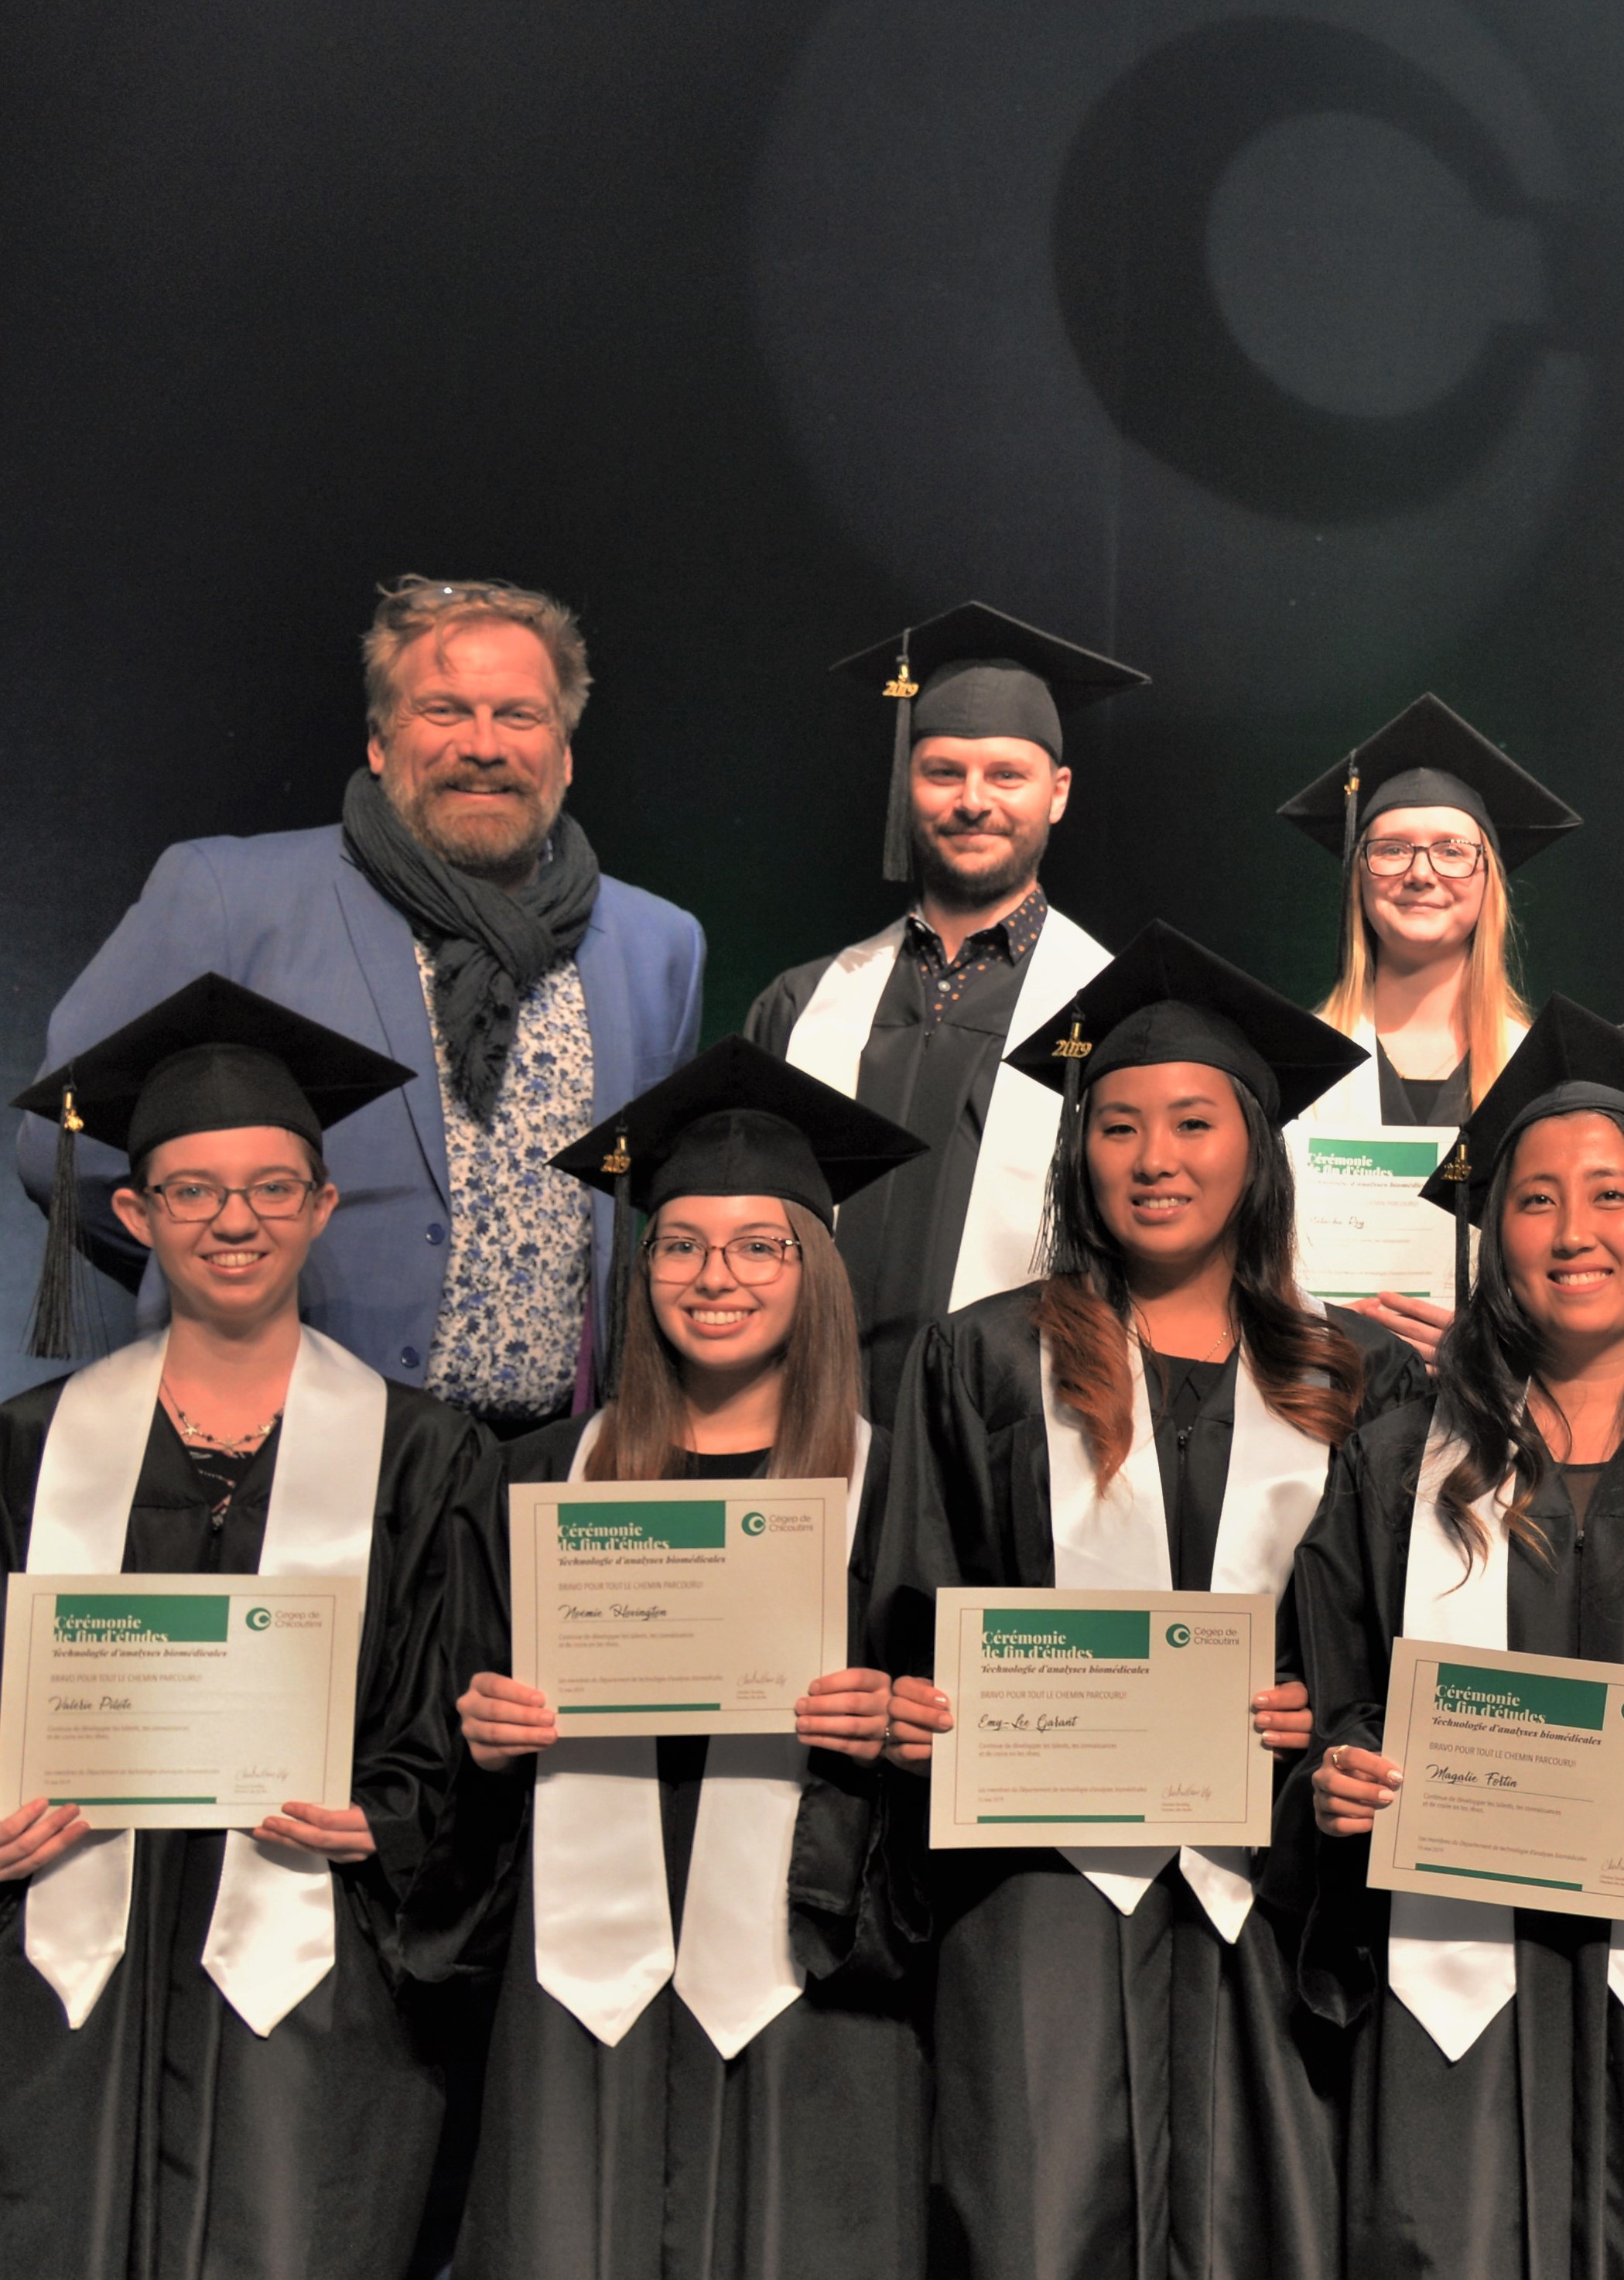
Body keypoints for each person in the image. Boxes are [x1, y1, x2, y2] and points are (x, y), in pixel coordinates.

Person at [867, 926, 1384, 2280]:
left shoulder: (1350, 1380)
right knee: (1035, 2219)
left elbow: (1391, 1644)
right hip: (1039, 1884)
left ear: (1255, 1150)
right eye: (1118, 1127)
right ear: (1078, 1155)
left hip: (1263, 1880)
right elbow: (917, 1608)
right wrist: (914, 1713)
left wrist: (1322, 1715)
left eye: (1194, 1122)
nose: (1155, 1160)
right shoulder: (985, 1355)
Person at [1291, 998, 1624, 2277]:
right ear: (1490, 1236)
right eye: (1533, 1198)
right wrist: (1333, 1780)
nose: (1572, 1232)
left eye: (1611, 1195)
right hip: (1451, 2006)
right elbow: (1322, 1696)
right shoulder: (1394, 1466)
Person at [0, 975, 499, 2280]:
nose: (236, 1220)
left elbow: (451, 1731)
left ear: (321, 1207)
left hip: (319, 1980)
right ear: (132, 1211)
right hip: (64, 1993)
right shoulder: (28, 1450)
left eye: (275, 1187)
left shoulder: (426, 1456)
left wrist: (385, 1822)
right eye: (193, 1190)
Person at [426, 1039, 935, 2278]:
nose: (718, 1275)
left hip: (805, 1965)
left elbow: (955, 1744)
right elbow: (449, 1752)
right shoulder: (540, 1475)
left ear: (813, 1268)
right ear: (641, 1264)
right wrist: (480, 1734)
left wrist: (910, 1726)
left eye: (762, 1244)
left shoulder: (896, 1486)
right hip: (581, 1967)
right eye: (682, 1243)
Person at [22, 576, 704, 1429]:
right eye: (444, 710)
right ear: (381, 742)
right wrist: (227, 1288)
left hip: (554, 1468)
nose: (483, 746)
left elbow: (651, 1212)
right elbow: (68, 1146)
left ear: (565, 752)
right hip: (298, 1449)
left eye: (519, 716)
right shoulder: (234, 900)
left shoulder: (656, 945)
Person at [744, 603, 1143, 1405]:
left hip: (1017, 1428)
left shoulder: (1112, 1009)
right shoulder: (804, 1001)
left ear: (1057, 793)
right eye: (942, 772)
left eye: (1006, 775)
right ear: (907, 785)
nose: (972, 800)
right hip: (816, 1421)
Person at [1279, 693, 1576, 1368]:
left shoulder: (1545, 1068)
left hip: (1503, 1412)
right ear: (1359, 877)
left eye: (1451, 850)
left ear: (1489, 879)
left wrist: (1493, 1346)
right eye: (1390, 850)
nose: (1420, 872)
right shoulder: (1294, 1060)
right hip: (1323, 1396)